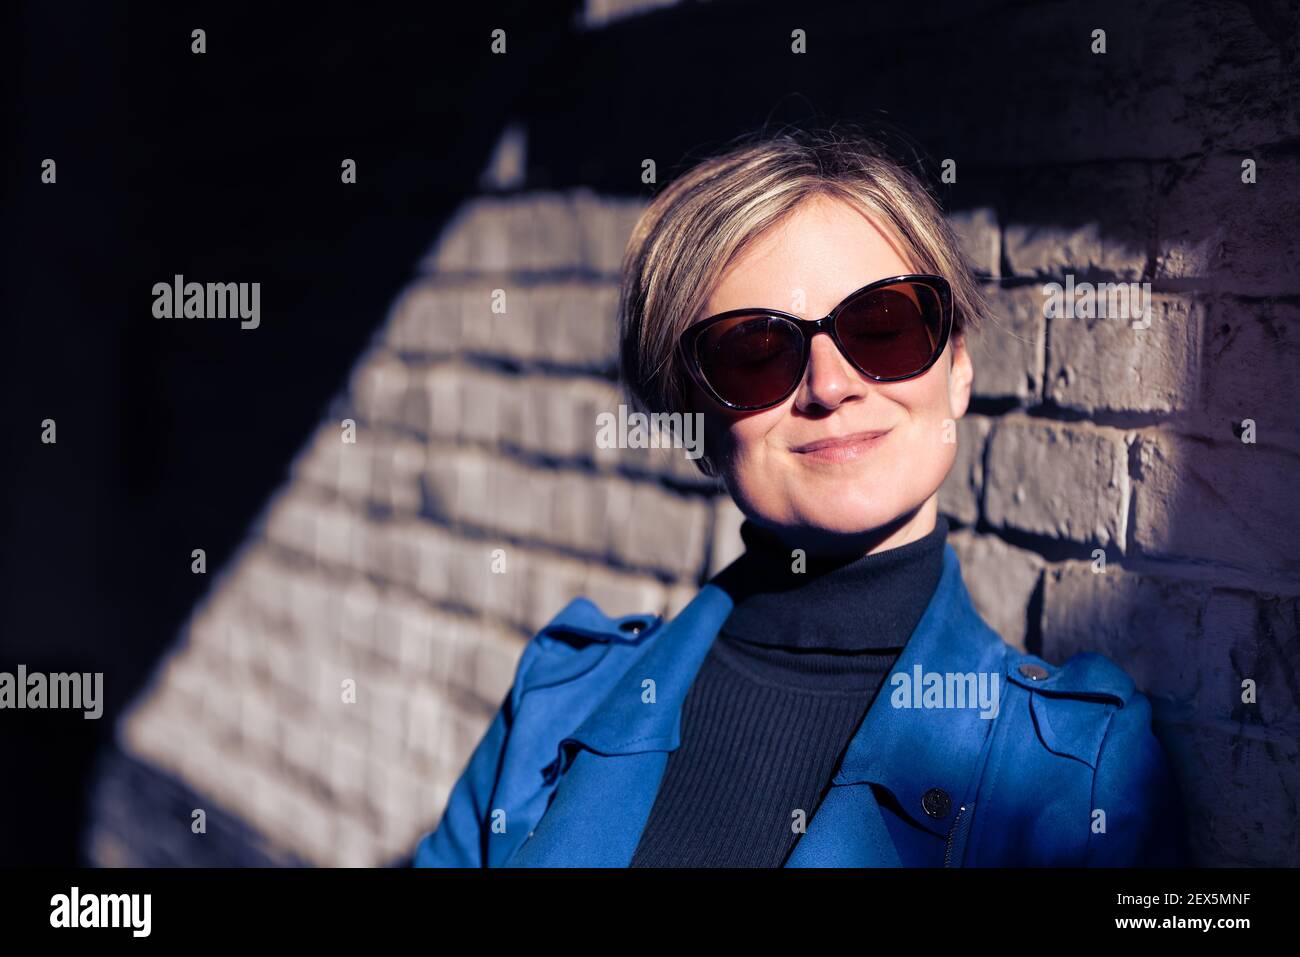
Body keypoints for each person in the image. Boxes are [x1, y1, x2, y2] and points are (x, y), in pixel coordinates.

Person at [411, 124, 1186, 868]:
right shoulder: (558, 701)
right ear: (695, 421)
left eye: (883, 325)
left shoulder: (1072, 773)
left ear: (956, 367)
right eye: (755, 351)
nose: (830, 385)